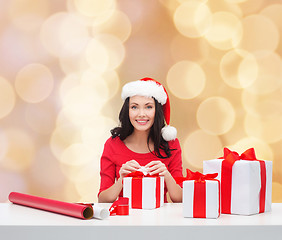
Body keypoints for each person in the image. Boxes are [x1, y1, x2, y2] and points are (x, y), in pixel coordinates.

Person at [98, 77, 183, 203]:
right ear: (127, 110)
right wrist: (122, 179)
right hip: (125, 219)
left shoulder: (171, 144)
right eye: (134, 107)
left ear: (157, 111)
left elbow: (180, 199)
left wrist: (166, 175)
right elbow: (102, 200)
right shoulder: (113, 144)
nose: (141, 114)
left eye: (148, 107)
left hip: (160, 219)